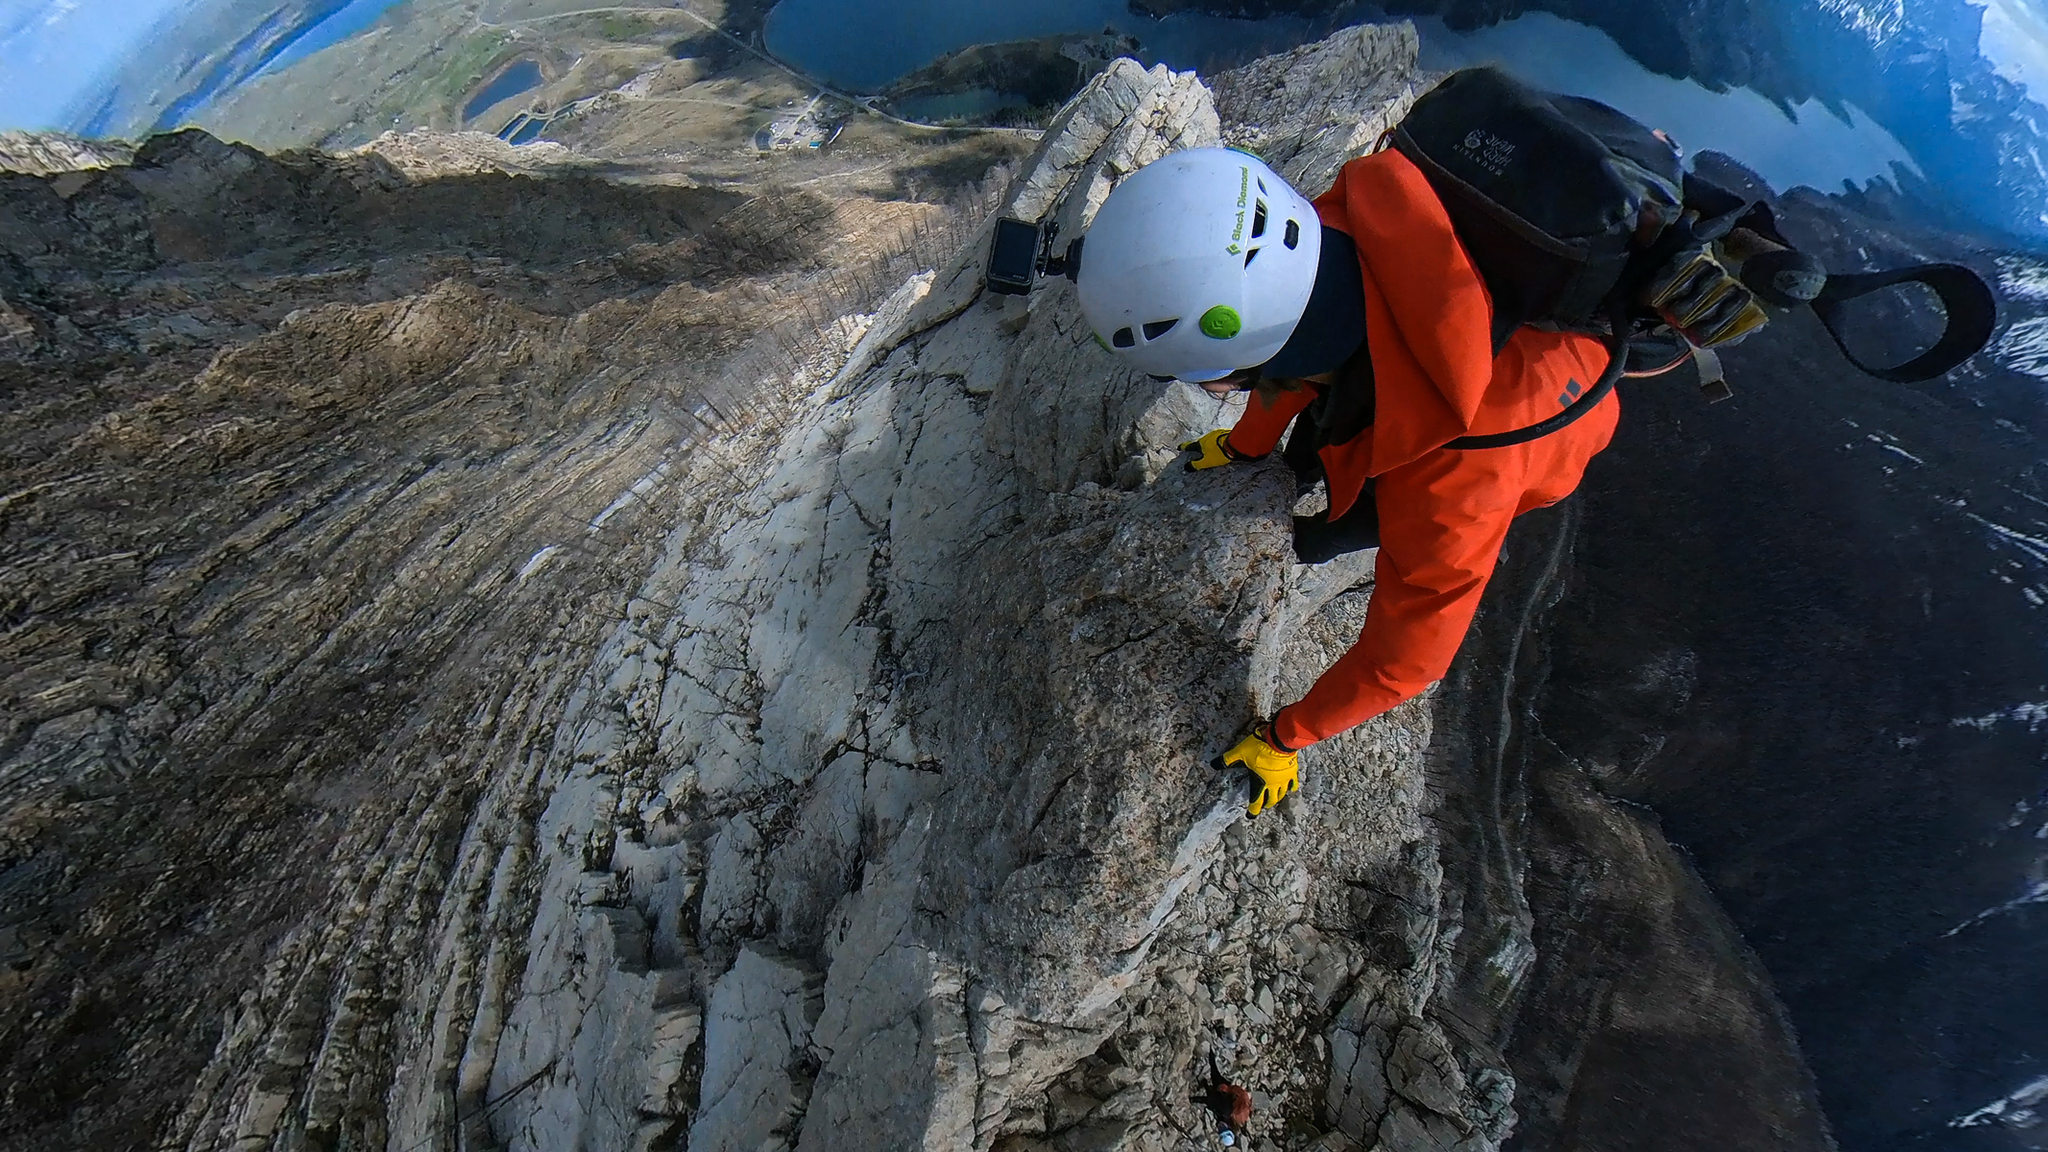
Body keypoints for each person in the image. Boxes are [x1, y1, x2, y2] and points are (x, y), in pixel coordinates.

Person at [1075, 146, 1619, 816]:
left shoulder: (1455, 484)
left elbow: (1408, 662)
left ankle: (1325, 532)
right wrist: (1246, 449)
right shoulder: (1347, 220)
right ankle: (1311, 483)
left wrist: (1284, 736)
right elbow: (1298, 340)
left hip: (1550, 424)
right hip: (1465, 333)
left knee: (1351, 519)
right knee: (1336, 405)